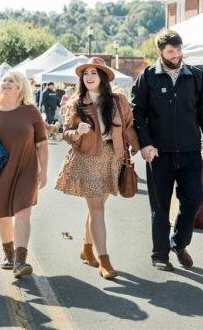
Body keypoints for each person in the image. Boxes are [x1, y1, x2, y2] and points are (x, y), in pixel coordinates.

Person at [132, 29, 203, 272]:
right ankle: (160, 255)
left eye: (178, 50)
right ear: (160, 52)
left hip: (190, 151)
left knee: (193, 201)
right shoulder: (147, 76)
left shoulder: (196, 76)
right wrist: (145, 144)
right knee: (159, 207)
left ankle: (178, 243)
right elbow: (137, 113)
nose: (176, 55)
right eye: (171, 51)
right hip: (158, 153)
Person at [55, 57, 139, 279]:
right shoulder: (75, 103)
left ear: (102, 77)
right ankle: (104, 260)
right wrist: (77, 132)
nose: (89, 76)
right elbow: (66, 132)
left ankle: (86, 246)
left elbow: (130, 127)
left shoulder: (118, 101)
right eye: (86, 73)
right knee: (98, 209)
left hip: (113, 157)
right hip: (88, 158)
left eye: (94, 72)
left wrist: (143, 148)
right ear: (82, 78)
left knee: (97, 207)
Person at [0, 69, 48, 278]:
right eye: (5, 80)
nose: (7, 83)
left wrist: (43, 172)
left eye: (13, 81)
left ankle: (20, 261)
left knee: (24, 212)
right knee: (3, 215)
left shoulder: (30, 111)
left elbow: (42, 143)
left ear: (20, 87)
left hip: (26, 168)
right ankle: (8, 254)